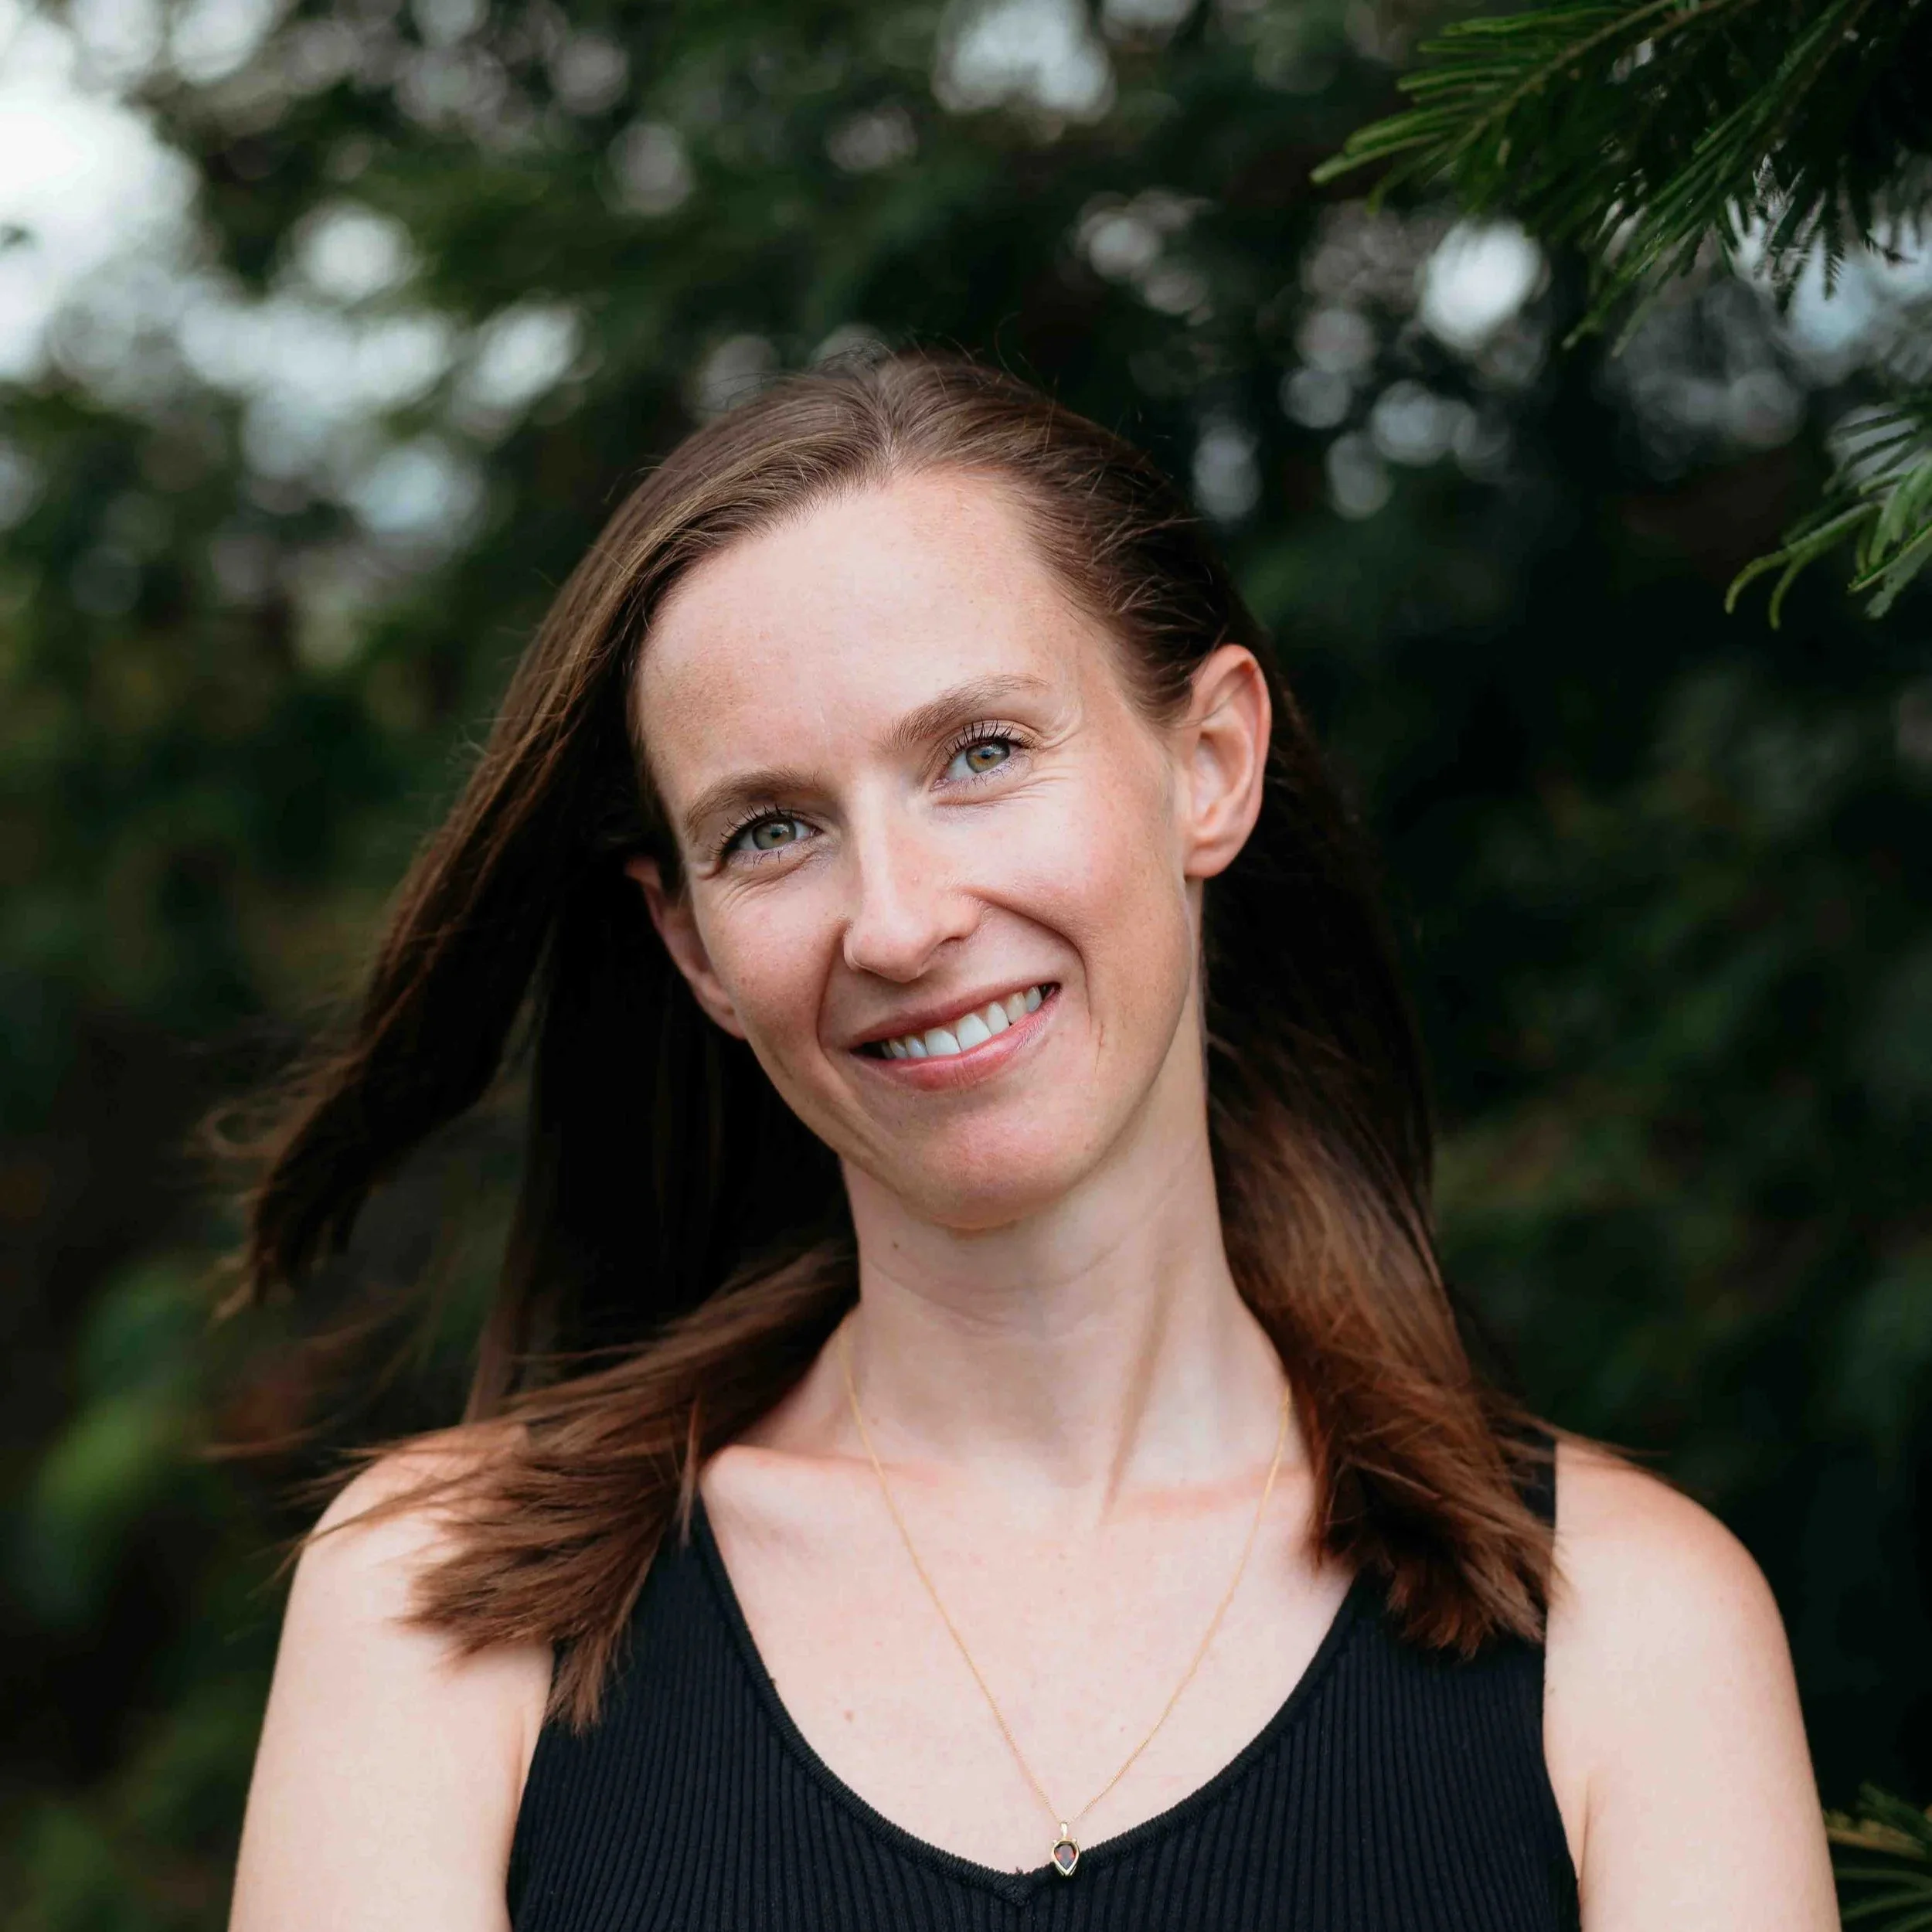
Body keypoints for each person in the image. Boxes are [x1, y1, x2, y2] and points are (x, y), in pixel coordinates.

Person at [226, 351, 1836, 1931]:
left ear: (1207, 762)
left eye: (978, 753)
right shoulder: (438, 1610)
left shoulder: (1627, 1627)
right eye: (770, 828)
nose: (900, 917)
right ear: (696, 945)